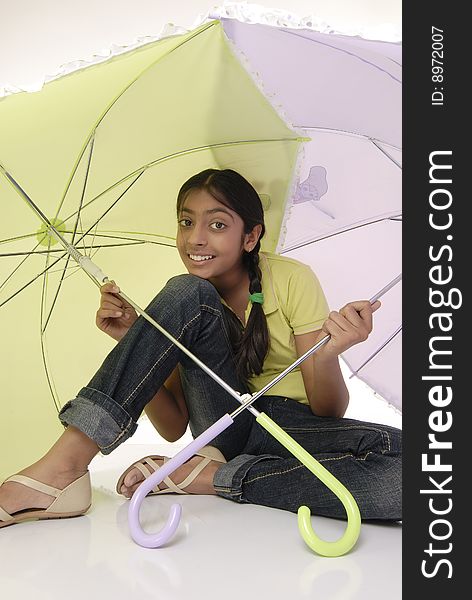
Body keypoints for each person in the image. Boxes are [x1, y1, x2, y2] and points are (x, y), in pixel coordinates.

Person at [0, 169, 401, 528]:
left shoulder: (293, 280)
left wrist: (327, 355)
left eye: (217, 224)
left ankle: (212, 477)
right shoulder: (185, 302)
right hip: (222, 427)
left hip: (291, 427)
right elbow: (174, 425)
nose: (195, 238)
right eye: (187, 222)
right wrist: (136, 341)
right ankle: (65, 465)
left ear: (251, 236)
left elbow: (327, 413)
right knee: (187, 290)